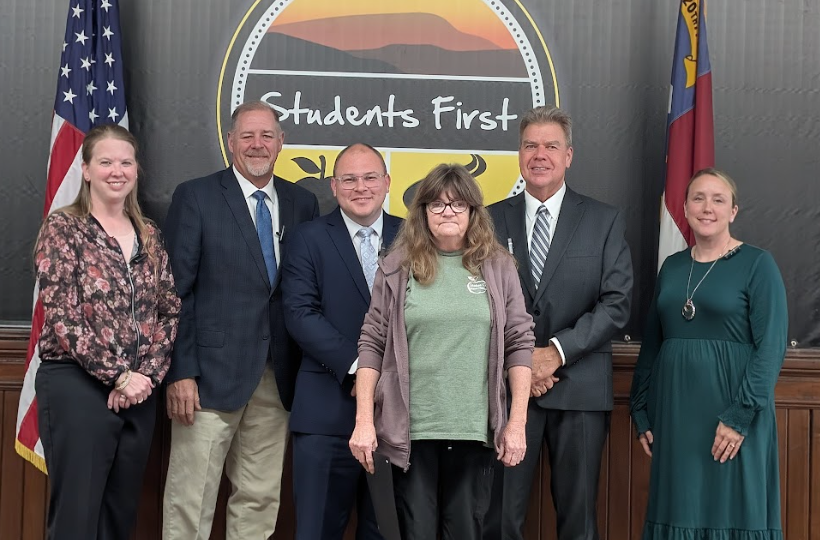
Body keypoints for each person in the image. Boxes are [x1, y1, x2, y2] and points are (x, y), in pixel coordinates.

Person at [350, 163, 535, 540]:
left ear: (473, 211)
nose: (447, 211)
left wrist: (516, 423)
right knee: (415, 532)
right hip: (410, 434)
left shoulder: (498, 267)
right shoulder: (397, 267)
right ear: (422, 213)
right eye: (436, 204)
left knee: (465, 531)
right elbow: (371, 343)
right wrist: (364, 420)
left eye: (458, 203)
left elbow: (519, 344)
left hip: (473, 431)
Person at [162, 100, 319, 540]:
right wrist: (181, 372)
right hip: (207, 380)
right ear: (230, 142)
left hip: (277, 377)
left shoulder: (302, 203)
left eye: (267, 135)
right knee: (191, 499)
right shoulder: (196, 197)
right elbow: (175, 292)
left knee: (259, 499)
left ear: (281, 142)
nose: (257, 144)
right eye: (247, 135)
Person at [485, 105, 634, 540]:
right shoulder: (489, 219)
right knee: (499, 519)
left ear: (568, 155)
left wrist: (554, 354)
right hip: (508, 392)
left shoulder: (604, 220)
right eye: (530, 145)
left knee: (578, 520)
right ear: (519, 154)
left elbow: (616, 302)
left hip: (580, 388)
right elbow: (478, 303)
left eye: (551, 146)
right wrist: (521, 365)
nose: (540, 155)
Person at [33, 123, 180, 539]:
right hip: (76, 385)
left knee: (120, 516)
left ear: (136, 170)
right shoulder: (64, 228)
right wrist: (117, 375)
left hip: (139, 393)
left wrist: (144, 377)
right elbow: (63, 316)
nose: (117, 171)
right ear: (86, 170)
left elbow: (170, 311)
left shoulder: (149, 234)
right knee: (77, 518)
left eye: (126, 162)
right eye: (106, 162)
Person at [629, 168, 787, 540]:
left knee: (733, 509)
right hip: (675, 416)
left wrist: (739, 416)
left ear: (733, 211)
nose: (707, 207)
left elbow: (771, 347)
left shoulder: (758, 264)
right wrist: (639, 407)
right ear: (684, 207)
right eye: (698, 198)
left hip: (734, 416)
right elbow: (653, 343)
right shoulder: (672, 267)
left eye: (718, 199)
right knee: (680, 508)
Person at [282, 143, 402, 540]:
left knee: (385, 532)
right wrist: (360, 371)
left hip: (397, 418)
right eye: (349, 179)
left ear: (387, 182)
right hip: (325, 415)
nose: (360, 187)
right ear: (333, 186)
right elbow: (300, 313)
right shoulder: (307, 238)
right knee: (316, 531)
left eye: (370, 177)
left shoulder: (414, 237)